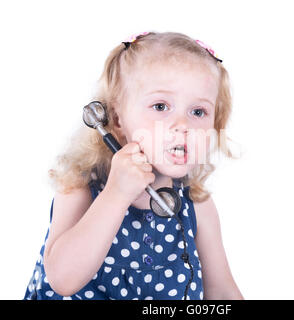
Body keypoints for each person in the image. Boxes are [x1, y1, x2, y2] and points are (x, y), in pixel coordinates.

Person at [24, 31, 244, 300]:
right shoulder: (80, 189)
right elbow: (63, 280)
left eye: (198, 112)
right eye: (161, 106)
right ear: (117, 119)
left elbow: (220, 291)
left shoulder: (196, 206)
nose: (183, 126)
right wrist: (116, 194)